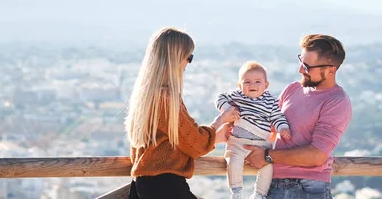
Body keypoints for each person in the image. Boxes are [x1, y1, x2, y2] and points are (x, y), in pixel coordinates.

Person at [125, 27, 239, 199]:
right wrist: (220, 121)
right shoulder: (166, 98)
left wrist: (216, 136)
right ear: (175, 58)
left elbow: (174, 140)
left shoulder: (145, 94)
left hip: (142, 185)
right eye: (188, 57)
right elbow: (196, 144)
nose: (188, 63)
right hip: (166, 187)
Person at [244, 34, 352, 199]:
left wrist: (267, 155)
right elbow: (270, 128)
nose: (300, 69)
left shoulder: (336, 102)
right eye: (301, 61)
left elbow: (317, 155)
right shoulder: (293, 89)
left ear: (331, 69)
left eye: (307, 67)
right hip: (274, 184)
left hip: (308, 188)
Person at [216, 61, 291, 199]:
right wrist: (228, 109)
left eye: (257, 81)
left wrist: (283, 128)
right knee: (233, 162)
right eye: (247, 82)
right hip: (237, 142)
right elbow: (220, 98)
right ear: (239, 85)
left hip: (262, 144)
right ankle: (236, 192)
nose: (252, 85)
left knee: (268, 167)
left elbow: (277, 117)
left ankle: (259, 194)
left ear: (266, 85)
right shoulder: (237, 96)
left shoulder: (271, 101)